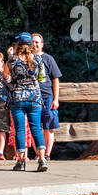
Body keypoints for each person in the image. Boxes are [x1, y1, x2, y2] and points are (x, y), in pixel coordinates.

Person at [2, 32, 48, 171]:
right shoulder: (39, 59)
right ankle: (42, 159)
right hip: (34, 98)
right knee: (36, 129)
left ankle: (21, 161)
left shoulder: (12, 60)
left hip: (17, 99)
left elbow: (6, 78)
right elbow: (42, 79)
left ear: (18, 44)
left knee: (20, 129)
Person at [31, 33, 63, 165]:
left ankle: (47, 155)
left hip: (47, 97)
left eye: (37, 42)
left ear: (42, 44)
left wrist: (56, 99)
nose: (35, 44)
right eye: (32, 42)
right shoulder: (26, 59)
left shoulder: (49, 59)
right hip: (31, 97)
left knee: (49, 127)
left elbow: (56, 79)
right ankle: (39, 154)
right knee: (34, 127)